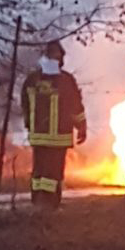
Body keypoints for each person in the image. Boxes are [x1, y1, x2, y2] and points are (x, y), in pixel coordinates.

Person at [20, 41, 87, 209]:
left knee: (39, 171)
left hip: (38, 136)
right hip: (59, 137)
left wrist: (29, 124)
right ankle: (50, 204)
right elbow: (75, 106)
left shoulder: (32, 80)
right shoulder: (65, 80)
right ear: (60, 58)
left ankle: (37, 201)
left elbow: (25, 105)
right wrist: (81, 126)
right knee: (53, 172)